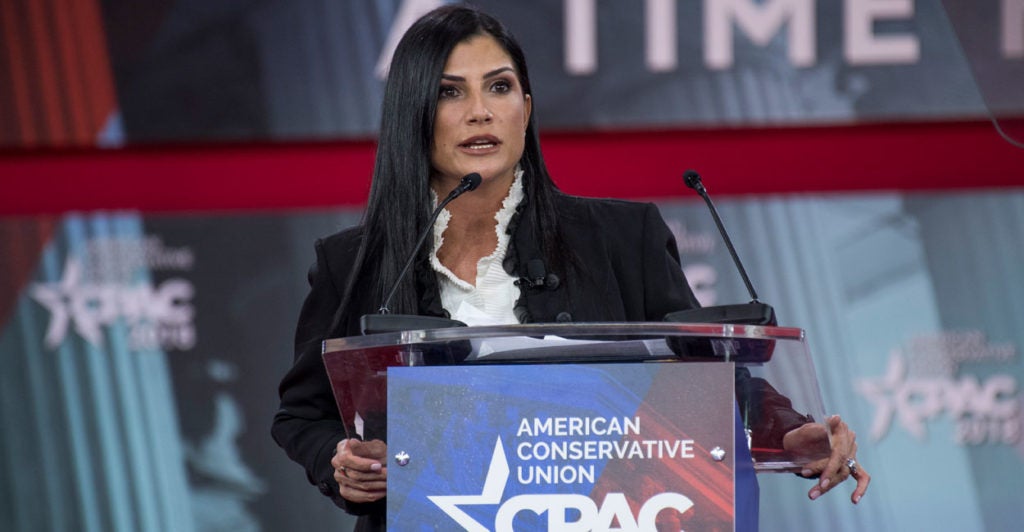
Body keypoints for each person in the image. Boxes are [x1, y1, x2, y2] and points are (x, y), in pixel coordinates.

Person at [271, 5, 870, 530]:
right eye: (451, 92)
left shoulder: (621, 238)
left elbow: (708, 376)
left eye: (499, 87)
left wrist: (790, 432)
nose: (480, 112)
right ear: (413, 113)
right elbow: (305, 414)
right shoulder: (352, 262)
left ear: (526, 108)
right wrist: (341, 462)